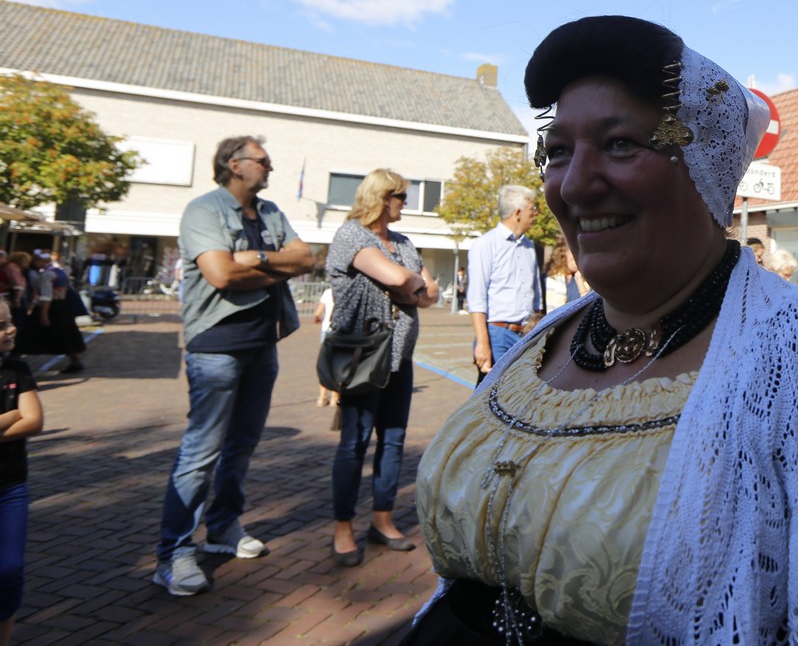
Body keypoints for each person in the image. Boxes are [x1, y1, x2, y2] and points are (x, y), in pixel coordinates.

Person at [409, 15, 798, 644]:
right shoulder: (545, 343)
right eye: (559, 151)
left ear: (706, 164)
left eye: (620, 144)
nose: (573, 185)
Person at [153, 136, 313, 597]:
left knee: (241, 445)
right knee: (200, 452)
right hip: (216, 346)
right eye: (263, 161)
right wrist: (272, 265)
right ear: (234, 165)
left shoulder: (270, 212)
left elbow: (305, 259)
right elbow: (220, 274)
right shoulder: (203, 211)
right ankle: (173, 554)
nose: (270, 167)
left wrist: (254, 258)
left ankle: (222, 527)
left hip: (263, 344)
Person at [326, 169, 439, 566]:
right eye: (402, 196)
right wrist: (408, 285)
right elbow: (403, 279)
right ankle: (343, 528)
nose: (406, 203)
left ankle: (382, 521)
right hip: (362, 358)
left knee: (393, 441)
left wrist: (410, 288)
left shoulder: (403, 242)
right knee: (354, 443)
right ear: (382, 197)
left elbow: (431, 293)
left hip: (399, 358)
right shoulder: (352, 235)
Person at [466, 185, 542, 383]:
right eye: (532, 209)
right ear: (517, 213)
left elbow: (536, 296)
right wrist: (482, 343)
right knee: (493, 393)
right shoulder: (485, 245)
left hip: (526, 334)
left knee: (521, 393)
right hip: (498, 335)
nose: (536, 213)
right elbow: (476, 299)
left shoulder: (529, 247)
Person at [1, 300, 43, 646]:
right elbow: (21, 416)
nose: (11, 328)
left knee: (9, 570)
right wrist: (11, 415)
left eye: (9, 321)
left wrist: (20, 416)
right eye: (2, 325)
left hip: (10, 487)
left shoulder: (17, 369)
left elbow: (34, 421)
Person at [20, 250, 85, 374]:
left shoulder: (47, 274)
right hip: (62, 306)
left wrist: (44, 313)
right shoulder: (60, 271)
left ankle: (14, 360)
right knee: (65, 335)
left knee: (28, 334)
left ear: (40, 261)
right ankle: (75, 360)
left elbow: (47, 296)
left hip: (51, 308)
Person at [543, 242, 589, 311]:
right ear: (563, 255)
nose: (577, 260)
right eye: (573, 258)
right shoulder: (549, 278)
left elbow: (589, 305)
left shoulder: (585, 278)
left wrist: (580, 283)